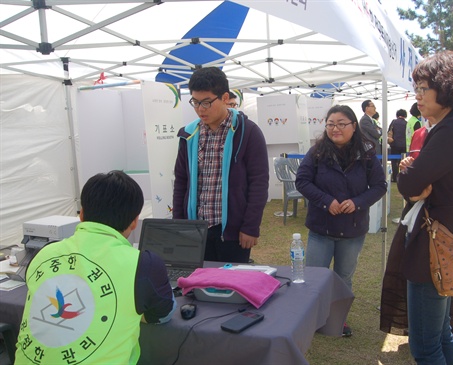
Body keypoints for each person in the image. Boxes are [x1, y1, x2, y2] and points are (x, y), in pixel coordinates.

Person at [380, 50, 453, 364]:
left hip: (435, 247)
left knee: (425, 346)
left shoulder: (451, 130)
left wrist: (409, 173)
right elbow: (414, 187)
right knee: (439, 335)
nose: (418, 96)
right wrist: (415, 177)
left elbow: (408, 186)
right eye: (417, 88)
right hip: (441, 243)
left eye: (424, 88)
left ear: (447, 88)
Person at [15, 171, 176, 365]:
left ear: (81, 214)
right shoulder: (144, 264)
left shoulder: (44, 254)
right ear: (135, 222)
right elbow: (162, 315)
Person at [296, 105, 387, 337]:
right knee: (316, 275)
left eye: (341, 123)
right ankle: (313, 319)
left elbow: (379, 186)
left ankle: (337, 321)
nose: (335, 128)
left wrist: (357, 202)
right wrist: (327, 201)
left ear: (354, 126)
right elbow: (303, 181)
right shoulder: (317, 152)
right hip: (321, 227)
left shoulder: (366, 154)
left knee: (343, 277)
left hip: (352, 229)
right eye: (330, 124)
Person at [172, 67, 269, 263]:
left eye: (206, 102)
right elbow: (181, 182)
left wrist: (250, 227)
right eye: (195, 102)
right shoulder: (189, 134)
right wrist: (180, 226)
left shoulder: (248, 132)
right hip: (197, 229)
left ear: (225, 97)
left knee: (232, 287)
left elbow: (259, 183)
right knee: (199, 285)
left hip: (232, 232)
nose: (200, 109)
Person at [388, 109, 408, 182]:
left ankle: (395, 177)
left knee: (394, 161)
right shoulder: (407, 123)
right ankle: (402, 176)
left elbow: (389, 131)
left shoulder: (394, 122)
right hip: (404, 145)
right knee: (403, 161)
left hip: (394, 144)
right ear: (405, 115)